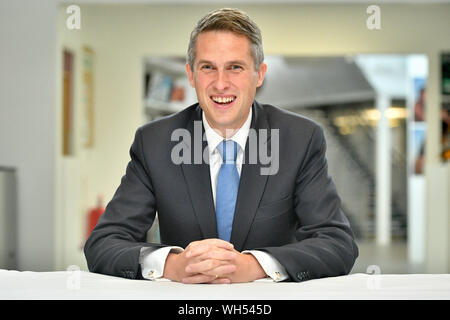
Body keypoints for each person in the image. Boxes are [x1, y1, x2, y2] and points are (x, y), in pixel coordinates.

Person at [84, 8, 358, 284]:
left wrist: (254, 265)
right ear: (191, 75)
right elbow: (103, 243)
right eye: (208, 68)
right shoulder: (155, 143)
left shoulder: (299, 139)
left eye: (235, 67)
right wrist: (174, 265)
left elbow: (337, 243)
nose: (220, 84)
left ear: (259, 74)